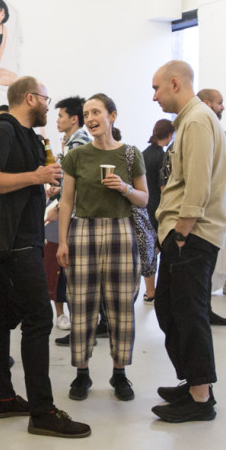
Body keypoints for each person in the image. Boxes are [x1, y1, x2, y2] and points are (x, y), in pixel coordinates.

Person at [0, 76, 91, 438]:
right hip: (17, 244)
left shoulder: (26, 135)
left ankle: (2, 397)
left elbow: (19, 179)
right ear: (30, 98)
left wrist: (41, 182)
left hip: (23, 239)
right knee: (39, 319)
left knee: (1, 318)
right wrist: (35, 176)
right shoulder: (3, 130)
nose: (48, 106)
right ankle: (42, 411)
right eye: (45, 99)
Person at [56, 93, 148, 402]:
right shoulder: (76, 156)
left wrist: (124, 187)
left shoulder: (131, 154)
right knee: (81, 303)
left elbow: (144, 198)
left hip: (122, 231)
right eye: (86, 114)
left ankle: (119, 373)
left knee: (122, 305)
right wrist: (63, 241)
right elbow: (66, 200)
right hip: (83, 230)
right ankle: (81, 373)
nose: (90, 118)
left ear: (112, 115)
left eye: (96, 112)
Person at [149, 60, 226, 423]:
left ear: (175, 84)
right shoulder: (190, 121)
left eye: (157, 88)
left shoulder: (195, 121)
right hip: (183, 234)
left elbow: (197, 183)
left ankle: (200, 398)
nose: (154, 96)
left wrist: (181, 232)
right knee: (171, 310)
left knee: (189, 314)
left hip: (190, 235)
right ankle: (195, 383)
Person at [195, 89, 226, 321]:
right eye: (220, 103)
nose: (223, 107)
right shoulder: (202, 128)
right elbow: (205, 173)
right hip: (202, 213)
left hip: (213, 211)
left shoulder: (213, 129)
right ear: (207, 103)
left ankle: (210, 305)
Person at [45, 96, 90, 331]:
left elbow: (80, 186)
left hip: (74, 217)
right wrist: (59, 191)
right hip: (72, 213)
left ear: (73, 119)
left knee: (65, 266)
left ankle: (75, 321)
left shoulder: (77, 144)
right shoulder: (75, 142)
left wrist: (59, 207)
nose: (57, 120)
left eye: (61, 116)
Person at [141, 118, 174, 301]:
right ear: (169, 135)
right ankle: (158, 291)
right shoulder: (162, 156)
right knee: (160, 250)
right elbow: (164, 187)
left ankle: (150, 291)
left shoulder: (143, 154)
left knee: (149, 251)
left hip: (143, 207)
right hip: (158, 208)